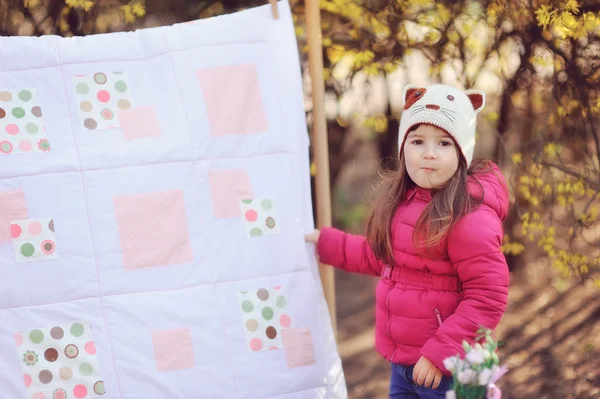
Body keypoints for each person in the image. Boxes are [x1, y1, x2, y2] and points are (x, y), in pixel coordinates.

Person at [305, 84, 511, 399]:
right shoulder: (403, 201)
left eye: (444, 142)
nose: (429, 152)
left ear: (463, 152)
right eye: (417, 141)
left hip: (449, 368)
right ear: (403, 149)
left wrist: (440, 353)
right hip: (404, 365)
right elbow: (380, 256)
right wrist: (327, 244)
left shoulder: (468, 216)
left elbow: (487, 295)